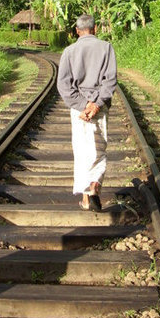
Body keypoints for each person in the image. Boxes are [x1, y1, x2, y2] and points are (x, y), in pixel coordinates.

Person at [56, 14, 117, 212]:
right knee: (99, 148)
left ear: (76, 31)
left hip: (79, 109)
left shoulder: (69, 51)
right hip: (99, 107)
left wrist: (83, 105)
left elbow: (63, 85)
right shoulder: (106, 48)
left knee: (82, 151)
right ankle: (94, 189)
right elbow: (110, 81)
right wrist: (96, 104)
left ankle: (85, 197)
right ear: (95, 28)